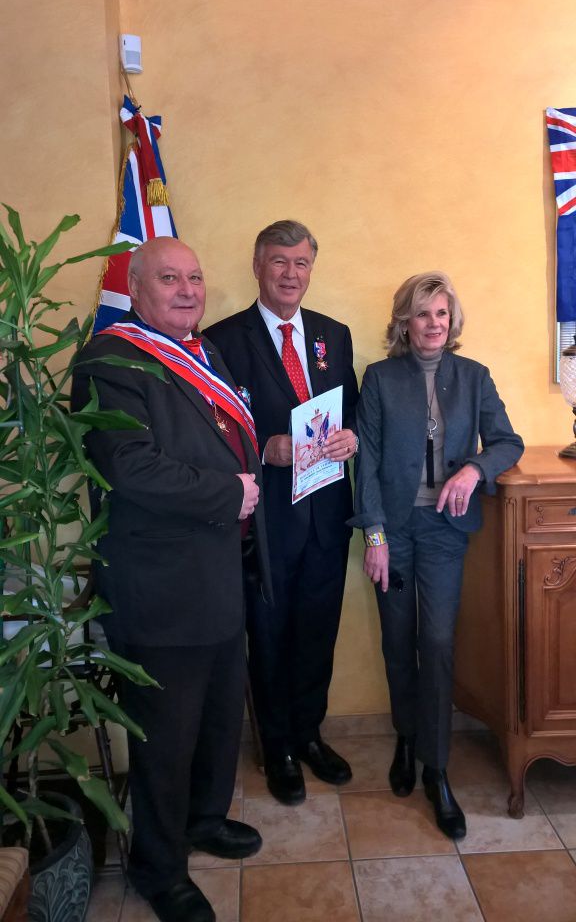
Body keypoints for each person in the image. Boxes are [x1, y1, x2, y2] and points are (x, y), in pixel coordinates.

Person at [72, 237, 271, 922]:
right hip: (159, 589)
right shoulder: (109, 360)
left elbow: (228, 439)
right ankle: (160, 868)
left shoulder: (204, 354)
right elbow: (132, 469)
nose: (187, 289)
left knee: (218, 719)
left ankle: (204, 819)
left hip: (219, 578)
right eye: (169, 278)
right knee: (165, 736)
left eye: (194, 277)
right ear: (135, 287)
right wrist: (230, 495)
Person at [351, 271, 523, 840]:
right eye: (422, 314)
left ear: (453, 323)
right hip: (394, 532)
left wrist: (475, 468)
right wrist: (373, 535)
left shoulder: (473, 377)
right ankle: (406, 737)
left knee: (440, 642)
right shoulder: (378, 379)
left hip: (445, 532)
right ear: (405, 320)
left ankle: (437, 768)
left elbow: (507, 441)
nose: (432, 324)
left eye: (441, 314)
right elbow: (366, 462)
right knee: (398, 639)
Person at [205, 220, 359, 805]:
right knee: (268, 635)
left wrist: (349, 438)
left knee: (318, 629)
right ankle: (278, 747)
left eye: (301, 263)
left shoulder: (333, 335)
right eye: (279, 262)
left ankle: (309, 733)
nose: (291, 274)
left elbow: (348, 407)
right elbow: (212, 434)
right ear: (257, 265)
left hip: (326, 514)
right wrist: (264, 448)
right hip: (264, 521)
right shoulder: (220, 340)